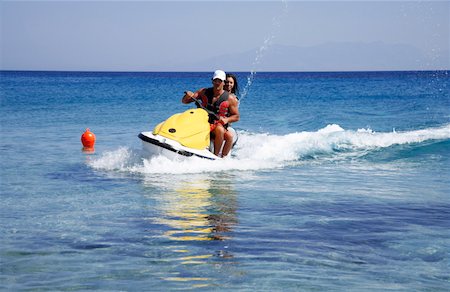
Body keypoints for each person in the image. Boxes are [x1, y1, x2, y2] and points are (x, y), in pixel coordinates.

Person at [182, 70, 240, 157]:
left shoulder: (230, 98)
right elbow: (185, 101)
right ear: (212, 80)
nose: (217, 83)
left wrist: (226, 119)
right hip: (202, 121)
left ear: (223, 83)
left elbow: (236, 116)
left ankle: (216, 156)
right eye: (215, 80)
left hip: (218, 125)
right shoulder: (203, 92)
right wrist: (188, 96)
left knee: (226, 134)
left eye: (219, 81)